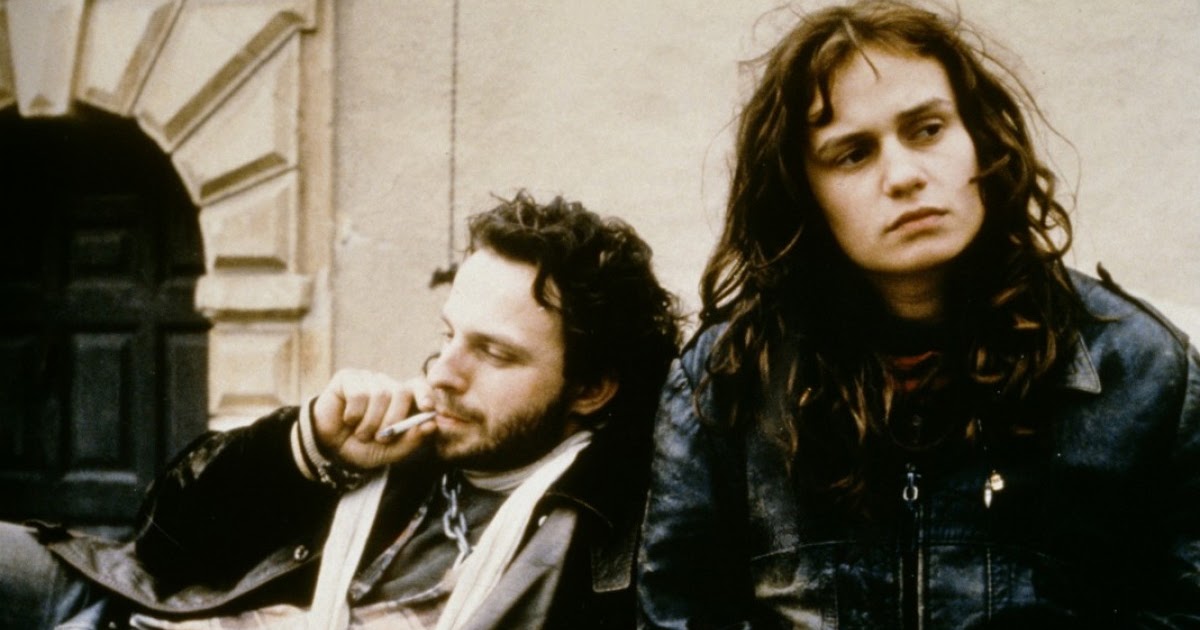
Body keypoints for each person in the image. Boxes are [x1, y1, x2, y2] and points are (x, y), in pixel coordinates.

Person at [637, 1, 1200, 628]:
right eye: (853, 153)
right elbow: (679, 615)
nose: (904, 176)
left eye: (927, 130)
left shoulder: (1140, 370)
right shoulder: (726, 383)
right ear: (802, 191)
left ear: (980, 138)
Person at [1, 191, 681, 629]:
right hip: (147, 607)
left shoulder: (610, 532)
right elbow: (160, 545)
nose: (443, 373)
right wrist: (310, 449)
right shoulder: (394, 442)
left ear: (592, 388)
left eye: (494, 353)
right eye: (448, 335)